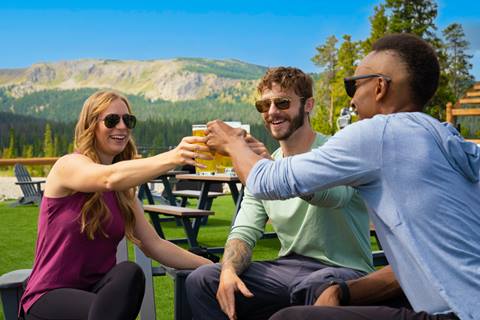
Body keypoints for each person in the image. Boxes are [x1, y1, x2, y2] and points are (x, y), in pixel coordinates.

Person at [206, 33, 479, 320]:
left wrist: (233, 142)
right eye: (264, 106)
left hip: (458, 312)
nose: (352, 100)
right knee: (209, 281)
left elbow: (266, 182)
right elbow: (424, 259)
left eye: (353, 85)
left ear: (379, 88)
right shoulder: (442, 138)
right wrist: (345, 292)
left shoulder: (377, 134)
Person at [186, 67, 374, 320]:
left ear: (308, 105)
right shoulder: (264, 168)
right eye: (264, 105)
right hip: (288, 267)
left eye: (282, 102)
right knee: (203, 279)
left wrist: (272, 171)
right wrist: (228, 269)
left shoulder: (336, 150)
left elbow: (333, 197)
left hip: (343, 270)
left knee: (315, 286)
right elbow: (244, 230)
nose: (272, 112)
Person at [19, 90, 213, 320]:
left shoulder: (124, 192)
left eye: (127, 120)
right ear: (91, 125)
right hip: (49, 297)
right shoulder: (68, 166)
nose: (121, 127)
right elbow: (107, 178)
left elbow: (154, 245)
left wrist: (213, 267)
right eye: (111, 120)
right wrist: (174, 157)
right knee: (107, 311)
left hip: (102, 300)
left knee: (129, 272)